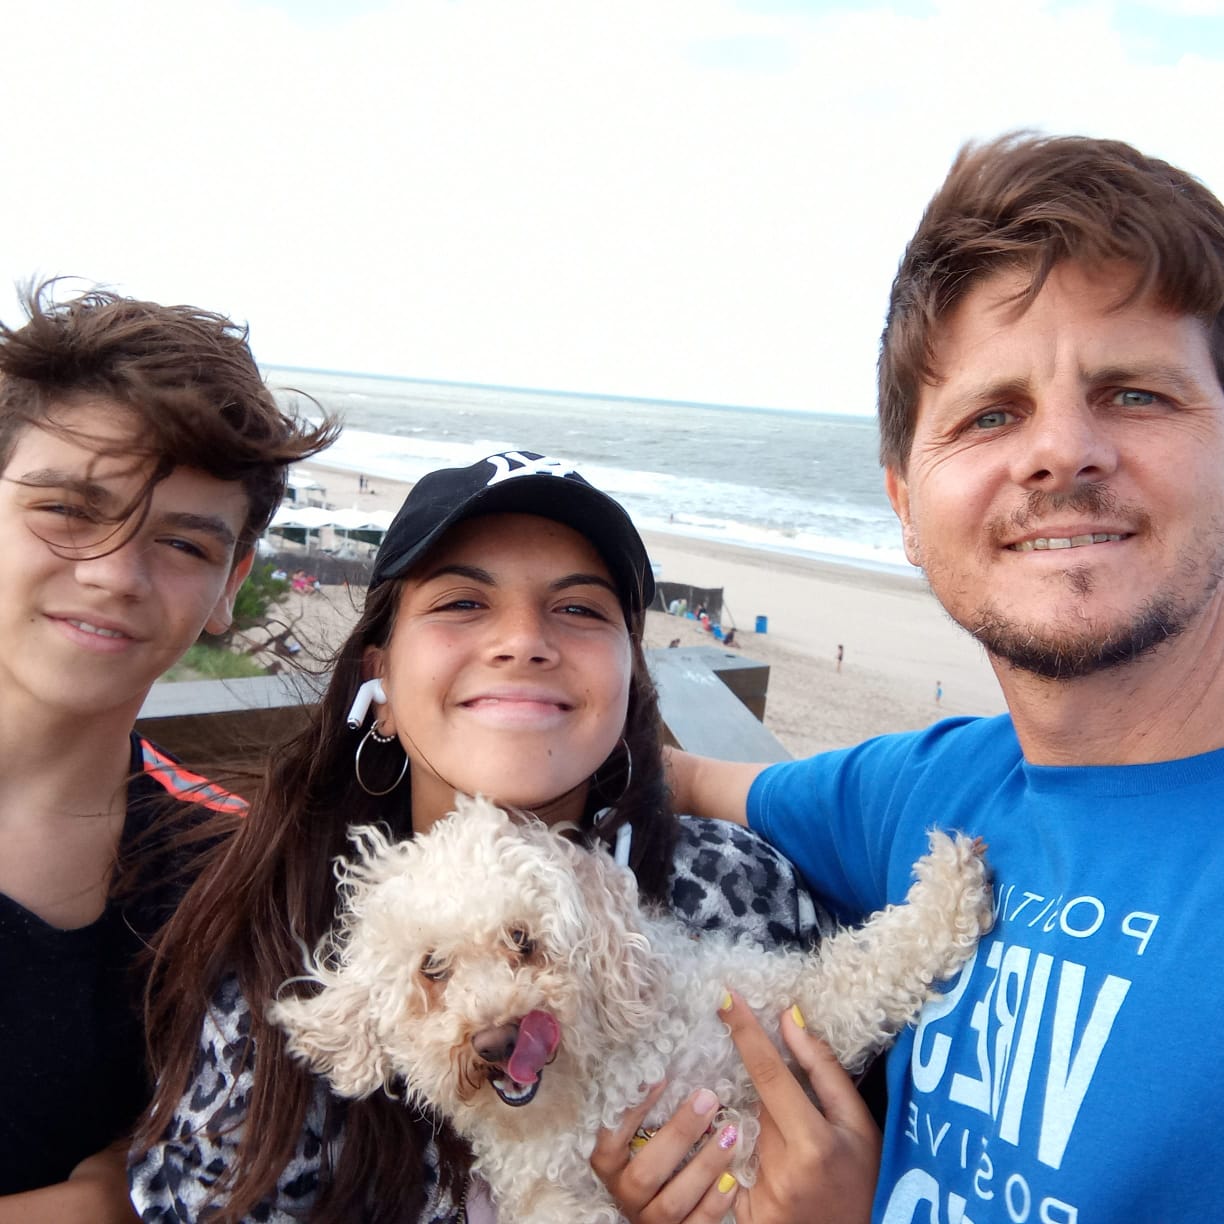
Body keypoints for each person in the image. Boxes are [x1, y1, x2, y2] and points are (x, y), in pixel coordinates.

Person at [661, 132, 1224, 1221]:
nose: (1061, 451)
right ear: (905, 506)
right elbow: (692, 778)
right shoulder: (931, 793)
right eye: (990, 415)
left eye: (1135, 395)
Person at [131, 450, 831, 1223]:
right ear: (378, 683)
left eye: (579, 609)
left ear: (630, 677)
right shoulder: (270, 964)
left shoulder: (744, 891)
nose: (523, 641)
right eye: (463, 602)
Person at [0, 282, 336, 1220]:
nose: (114, 574)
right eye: (69, 509)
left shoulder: (234, 881)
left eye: (183, 544)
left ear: (231, 584)